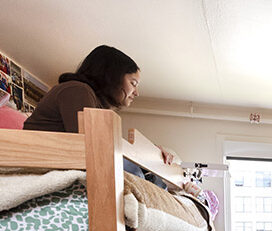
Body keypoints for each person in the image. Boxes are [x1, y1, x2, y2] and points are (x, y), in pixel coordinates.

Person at [22, 45, 172, 182]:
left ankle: (151, 177)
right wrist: (145, 163)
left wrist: (149, 158)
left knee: (139, 172)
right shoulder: (77, 91)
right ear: (112, 75)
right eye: (133, 83)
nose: (136, 93)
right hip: (37, 162)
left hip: (51, 160)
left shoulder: (92, 102)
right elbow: (95, 151)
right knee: (136, 173)